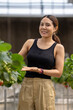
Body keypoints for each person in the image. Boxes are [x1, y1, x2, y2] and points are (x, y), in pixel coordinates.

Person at [18, 15, 65, 110]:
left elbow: (58, 73)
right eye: (41, 24)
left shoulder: (58, 47)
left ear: (55, 28)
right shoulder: (29, 43)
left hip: (45, 87)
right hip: (27, 85)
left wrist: (39, 70)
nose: (43, 27)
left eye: (47, 25)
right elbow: (15, 61)